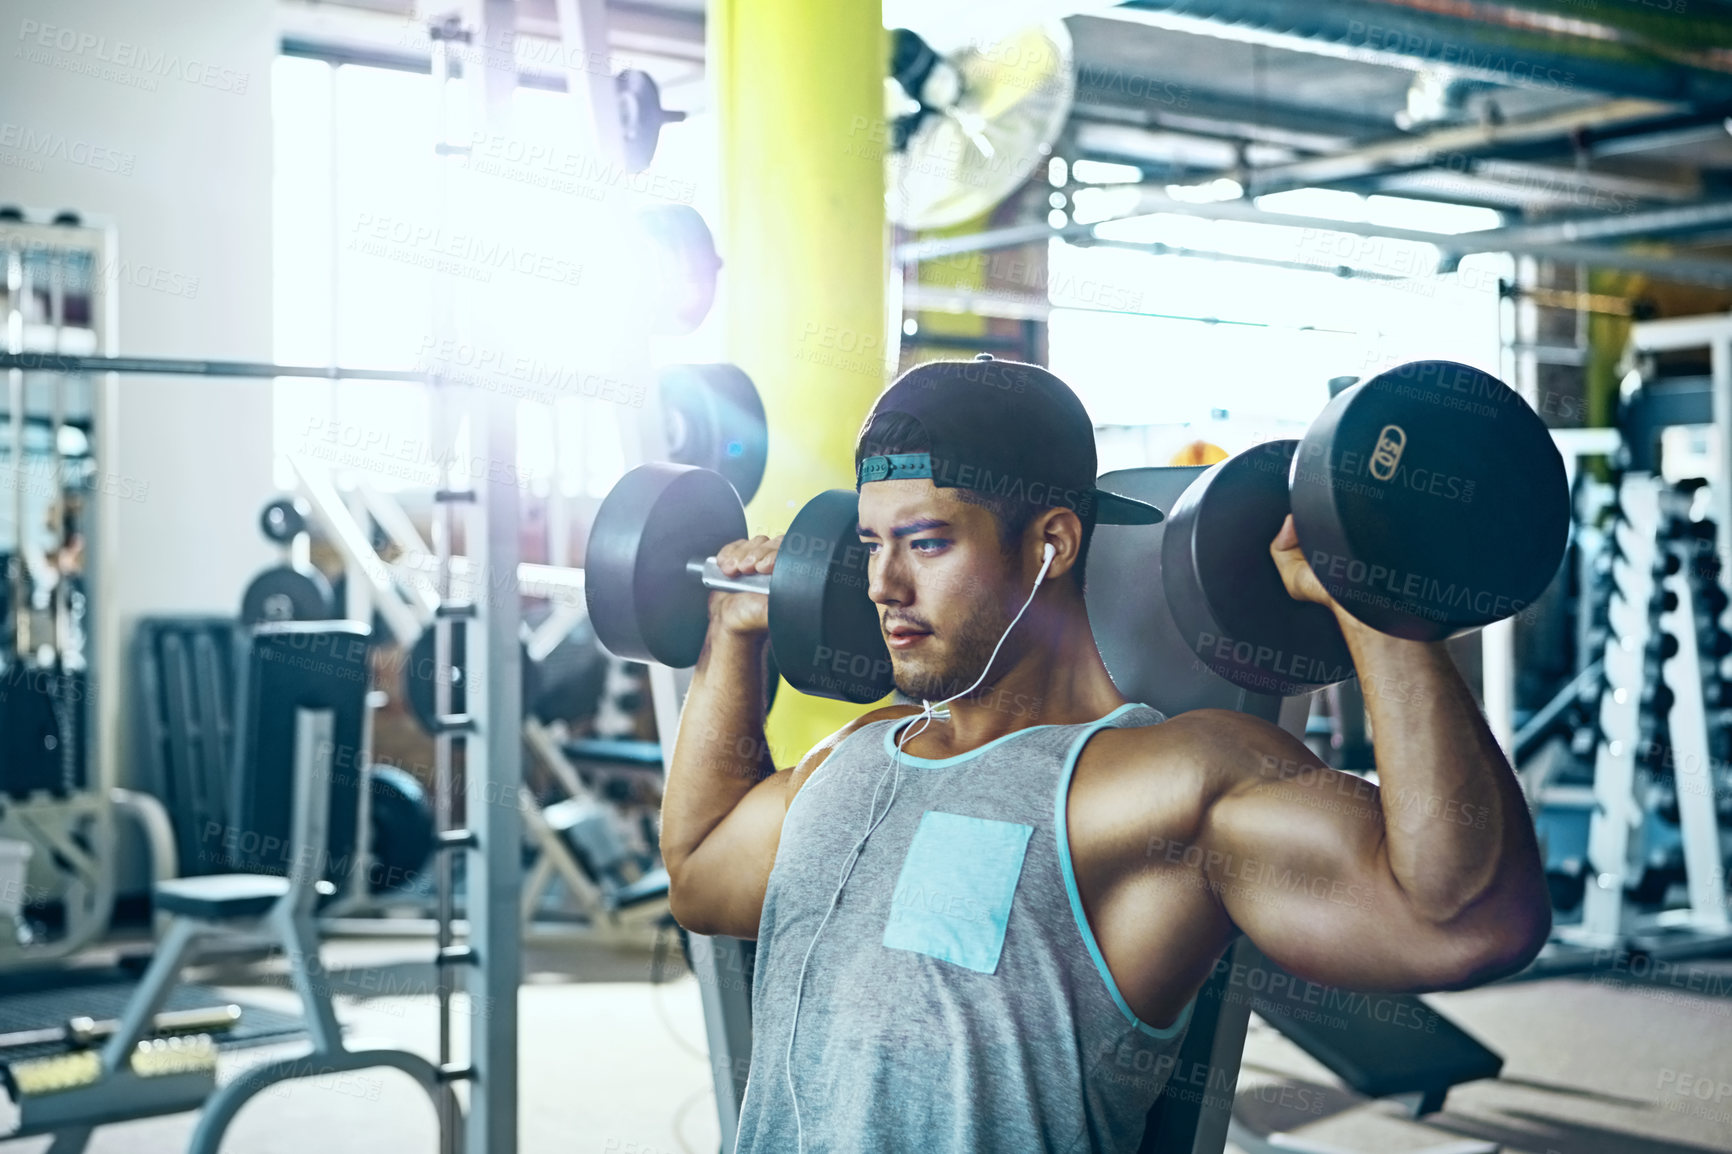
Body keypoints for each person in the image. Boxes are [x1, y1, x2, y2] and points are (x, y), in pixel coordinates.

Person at [662, 355, 1550, 1154]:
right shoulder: (853, 753)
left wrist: (1373, 600)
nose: (883, 587)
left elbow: (1464, 919)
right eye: (870, 544)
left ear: (1052, 542)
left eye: (926, 543)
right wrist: (731, 638)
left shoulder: (1159, 780)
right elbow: (700, 875)